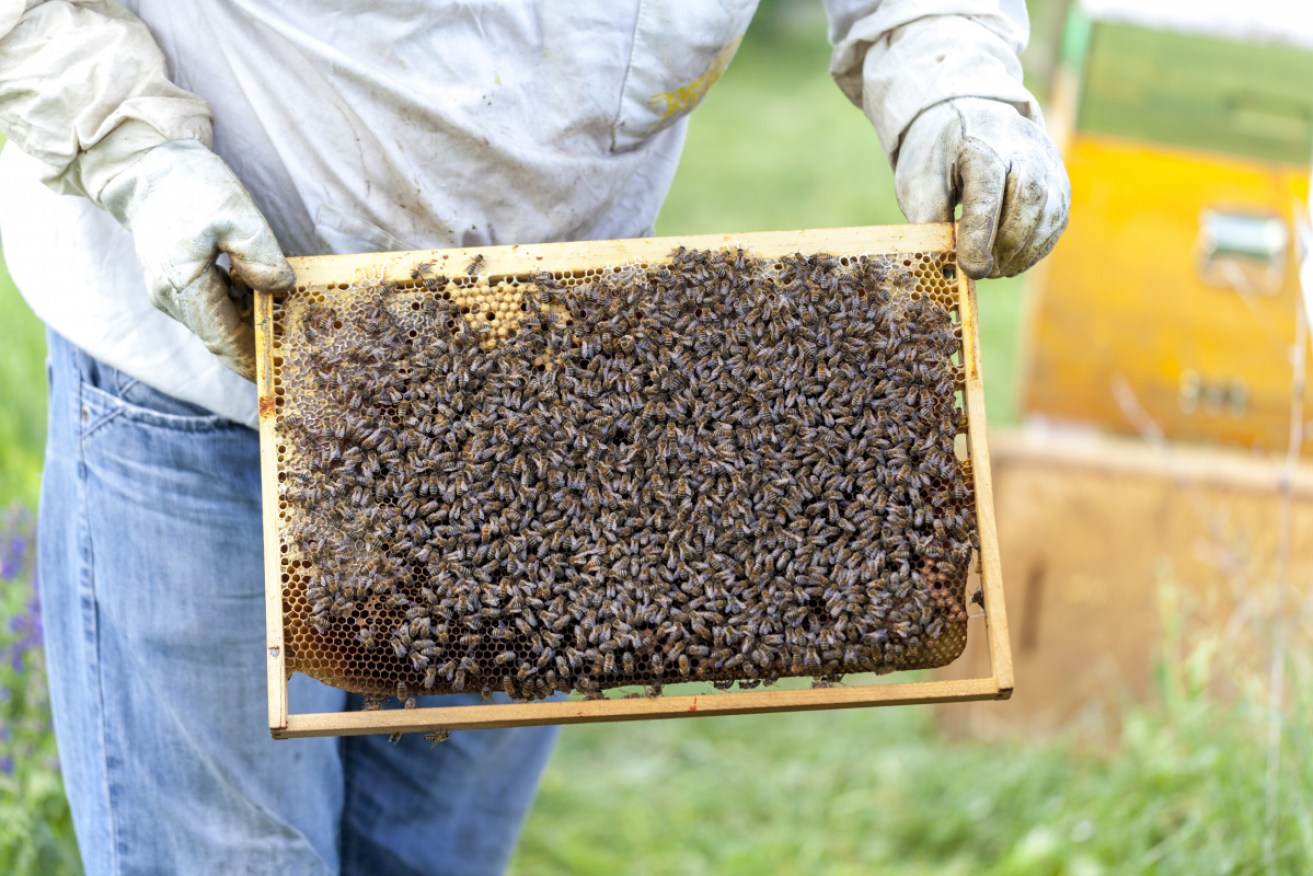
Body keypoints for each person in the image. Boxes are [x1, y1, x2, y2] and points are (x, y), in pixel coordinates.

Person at [0, 1, 1069, 873]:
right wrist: (136, 151)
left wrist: (954, 73)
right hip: (212, 377)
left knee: (432, 854)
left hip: (545, 401)